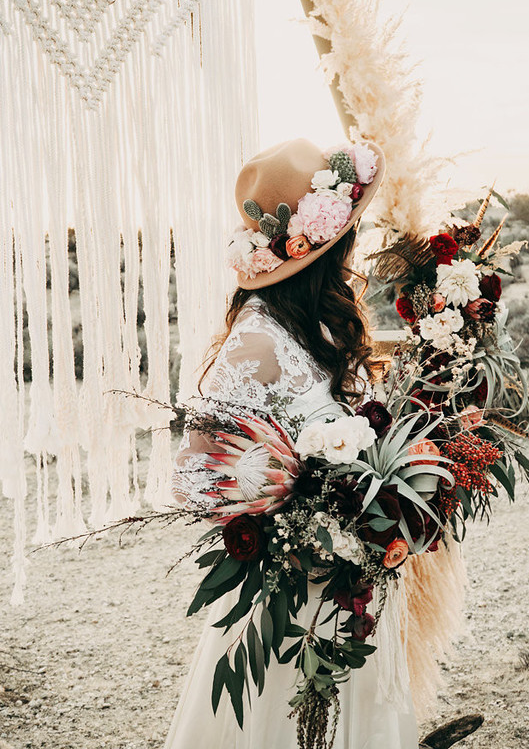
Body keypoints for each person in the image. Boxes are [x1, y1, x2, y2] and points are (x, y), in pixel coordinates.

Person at [164, 139, 419, 749]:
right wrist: (296, 501)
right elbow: (194, 479)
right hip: (292, 608)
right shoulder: (256, 342)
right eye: (348, 235)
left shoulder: (313, 326)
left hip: (345, 596)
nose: (354, 248)